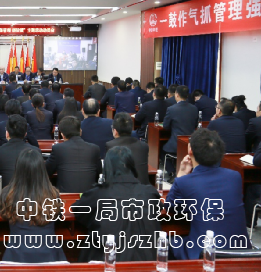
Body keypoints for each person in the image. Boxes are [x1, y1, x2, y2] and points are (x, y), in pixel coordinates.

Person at [167, 128, 251, 259]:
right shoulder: (235, 177)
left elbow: (170, 207)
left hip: (205, 255)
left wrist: (182, 173)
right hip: (242, 254)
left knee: (167, 240)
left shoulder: (184, 182)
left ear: (190, 151)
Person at [72, 146, 161, 262]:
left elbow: (78, 210)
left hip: (109, 262)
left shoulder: (99, 193)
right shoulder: (149, 192)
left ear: (107, 167)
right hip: (148, 262)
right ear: (131, 166)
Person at [0, 149, 67, 263]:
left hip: (16, 258)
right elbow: (58, 216)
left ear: (18, 170)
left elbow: (4, 215)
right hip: (50, 258)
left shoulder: (7, 194)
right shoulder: (53, 195)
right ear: (42, 170)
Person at [46, 116, 101, 193]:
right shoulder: (94, 148)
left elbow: (47, 171)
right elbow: (99, 172)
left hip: (66, 195)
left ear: (62, 135)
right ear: (80, 131)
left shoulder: (58, 148)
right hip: (89, 195)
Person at [0, 114, 41, 188]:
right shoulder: (36, 151)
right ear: (25, 134)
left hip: (7, 192)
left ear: (7, 133)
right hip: (30, 193)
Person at [162, 85, 198, 175]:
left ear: (177, 94)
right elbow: (195, 125)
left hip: (176, 144)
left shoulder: (171, 109)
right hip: (190, 144)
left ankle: (172, 172)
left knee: (162, 150)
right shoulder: (194, 108)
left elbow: (165, 126)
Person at [106, 113, 149, 184]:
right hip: (142, 187)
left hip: (121, 188)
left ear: (115, 131)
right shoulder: (144, 146)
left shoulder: (111, 145)